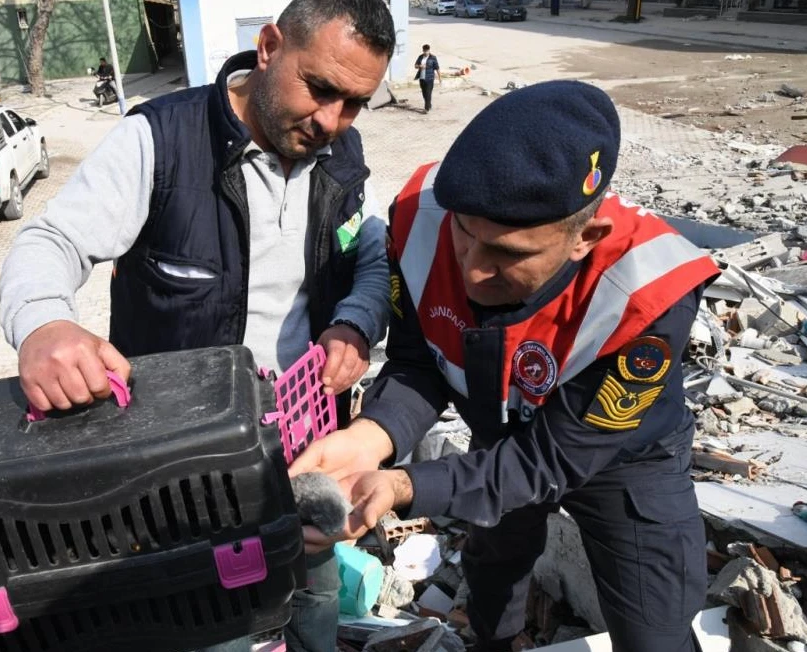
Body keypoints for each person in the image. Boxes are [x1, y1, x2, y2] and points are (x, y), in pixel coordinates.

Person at [0, 1, 397, 650]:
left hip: (305, 435)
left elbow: (374, 260)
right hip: (188, 467)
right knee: (219, 624)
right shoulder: (159, 140)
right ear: (268, 47)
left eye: (353, 103)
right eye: (320, 89)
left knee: (315, 593)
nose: (331, 120)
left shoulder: (342, 157)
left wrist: (354, 322)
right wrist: (44, 325)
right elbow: (50, 242)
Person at [289, 80, 721, 652]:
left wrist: (404, 484)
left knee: (655, 627)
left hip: (621, 458)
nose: (471, 270)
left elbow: (553, 457)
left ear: (583, 238)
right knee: (493, 576)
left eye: (509, 255)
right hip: (497, 433)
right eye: (465, 234)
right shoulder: (420, 219)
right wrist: (374, 435)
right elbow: (421, 362)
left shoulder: (647, 292)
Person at [414, 44, 440, 113]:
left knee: (428, 93)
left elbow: (437, 68)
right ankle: (429, 105)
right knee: (424, 93)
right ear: (423, 50)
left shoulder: (433, 58)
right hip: (422, 78)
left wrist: (440, 78)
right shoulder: (420, 57)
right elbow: (415, 66)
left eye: (427, 51)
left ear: (429, 50)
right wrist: (420, 66)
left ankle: (426, 109)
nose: (426, 52)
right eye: (425, 51)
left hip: (430, 78)